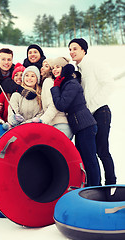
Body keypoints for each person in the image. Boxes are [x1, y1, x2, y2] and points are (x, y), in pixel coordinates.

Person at [68, 38, 116, 185]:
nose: (71, 52)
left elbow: (109, 84)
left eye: (75, 48)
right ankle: (96, 184)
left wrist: (92, 105)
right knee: (90, 152)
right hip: (89, 115)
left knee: (102, 150)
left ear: (84, 50)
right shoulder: (79, 70)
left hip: (101, 111)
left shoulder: (93, 64)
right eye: (70, 49)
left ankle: (111, 184)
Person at [50, 58, 101, 186]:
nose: (55, 69)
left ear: (64, 69)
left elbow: (61, 104)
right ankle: (90, 186)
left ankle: (96, 187)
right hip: (80, 126)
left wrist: (55, 88)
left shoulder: (71, 84)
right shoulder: (66, 83)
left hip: (85, 125)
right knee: (83, 159)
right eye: (53, 68)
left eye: (58, 67)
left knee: (89, 159)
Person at [34, 57, 73, 139]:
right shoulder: (54, 83)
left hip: (59, 124)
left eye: (47, 66)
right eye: (42, 65)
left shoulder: (48, 82)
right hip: (60, 125)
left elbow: (53, 105)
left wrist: (42, 121)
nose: (42, 68)